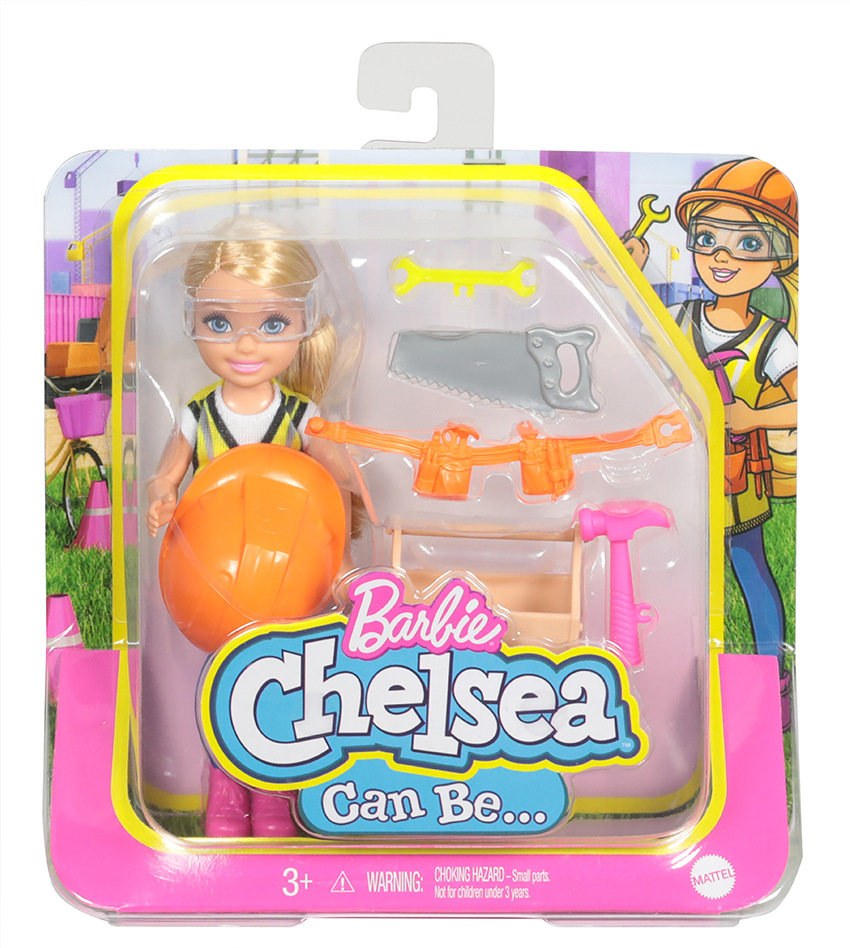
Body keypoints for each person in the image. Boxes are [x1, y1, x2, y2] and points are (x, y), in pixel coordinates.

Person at [146, 216, 345, 837]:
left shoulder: (301, 416)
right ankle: (226, 801)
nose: (246, 344)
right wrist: (161, 497)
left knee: (284, 696)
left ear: (305, 323)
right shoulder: (198, 414)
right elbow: (165, 474)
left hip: (292, 585)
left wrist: (346, 540)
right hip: (213, 586)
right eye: (219, 322)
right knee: (226, 696)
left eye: (273, 324)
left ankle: (279, 802)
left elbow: (338, 483)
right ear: (194, 321)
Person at [671, 159, 798, 726]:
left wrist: (752, 417)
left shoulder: (772, 340)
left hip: (737, 479)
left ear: (777, 256)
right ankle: (675, 676)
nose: (722, 257)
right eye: (707, 240)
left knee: (750, 569)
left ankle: (773, 680)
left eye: (747, 243)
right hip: (676, 476)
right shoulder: (677, 317)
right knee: (675, 575)